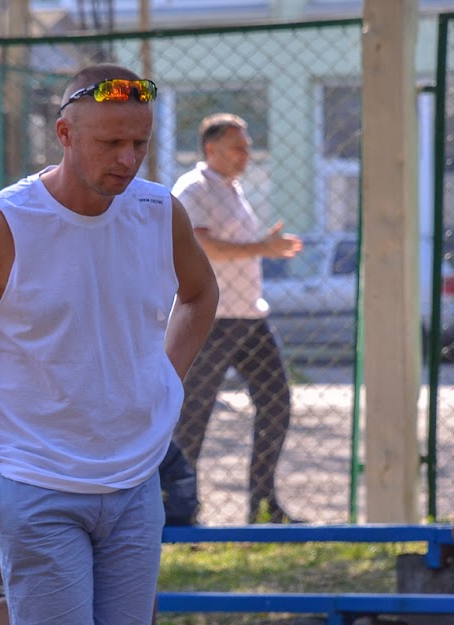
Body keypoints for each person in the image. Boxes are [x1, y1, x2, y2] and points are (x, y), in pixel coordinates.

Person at [0, 63, 219, 625]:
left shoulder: (158, 212)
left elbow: (201, 295)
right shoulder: (0, 222)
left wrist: (165, 380)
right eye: (111, 142)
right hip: (36, 487)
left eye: (139, 142)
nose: (128, 158)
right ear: (65, 134)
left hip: (134, 484)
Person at [171, 112, 304, 525]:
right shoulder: (192, 189)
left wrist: (261, 246)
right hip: (211, 320)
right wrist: (262, 247)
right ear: (211, 150)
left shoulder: (233, 188)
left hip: (249, 317)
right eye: (238, 147)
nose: (246, 154)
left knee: (276, 403)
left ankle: (263, 504)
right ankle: (180, 508)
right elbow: (202, 245)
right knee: (194, 415)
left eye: (247, 146)